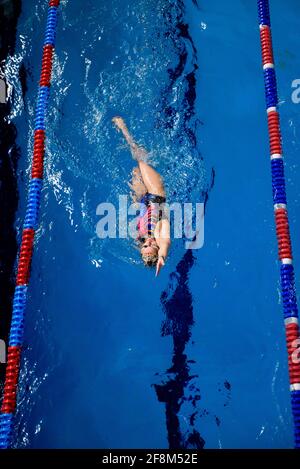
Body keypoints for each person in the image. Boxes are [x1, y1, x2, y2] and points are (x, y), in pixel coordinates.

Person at [112, 116, 170, 276]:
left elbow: (140, 216)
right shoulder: (160, 235)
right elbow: (166, 242)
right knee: (140, 159)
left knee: (135, 172)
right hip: (156, 193)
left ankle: (152, 159)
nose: (149, 242)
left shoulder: (139, 239)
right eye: (152, 245)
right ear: (157, 247)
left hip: (142, 199)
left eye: (146, 246)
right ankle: (124, 129)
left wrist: (136, 202)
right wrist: (162, 256)